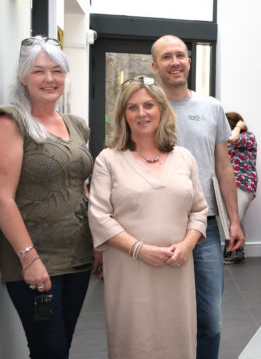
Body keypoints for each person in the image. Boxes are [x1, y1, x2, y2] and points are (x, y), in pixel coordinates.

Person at [88, 76, 208, 358]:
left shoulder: (185, 158)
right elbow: (100, 217)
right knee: (134, 337)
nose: (141, 113)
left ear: (162, 110)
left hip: (177, 267)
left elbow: (199, 210)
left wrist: (188, 244)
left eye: (148, 105)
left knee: (177, 336)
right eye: (132, 107)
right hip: (129, 269)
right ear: (123, 115)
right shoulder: (109, 159)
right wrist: (140, 250)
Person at [0, 36, 97, 358]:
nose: (50, 79)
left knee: (63, 346)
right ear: (23, 77)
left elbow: (79, 186)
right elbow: (3, 198)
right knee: (49, 350)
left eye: (57, 70)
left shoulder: (76, 125)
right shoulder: (11, 122)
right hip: (36, 259)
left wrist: (96, 243)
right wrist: (29, 258)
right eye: (39, 71)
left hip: (78, 256)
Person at [151, 35, 244, 359]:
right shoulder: (146, 107)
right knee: (161, 316)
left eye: (180, 55)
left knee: (210, 317)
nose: (175, 62)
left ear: (189, 61)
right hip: (155, 227)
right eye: (166, 57)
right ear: (155, 65)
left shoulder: (212, 107)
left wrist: (235, 220)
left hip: (205, 226)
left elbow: (223, 166)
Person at [224, 112, 258, 264]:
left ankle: (234, 251)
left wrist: (239, 125)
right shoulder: (224, 141)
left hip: (244, 184)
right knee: (234, 217)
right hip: (229, 184)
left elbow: (233, 139)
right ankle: (237, 250)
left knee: (236, 217)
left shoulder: (248, 137)